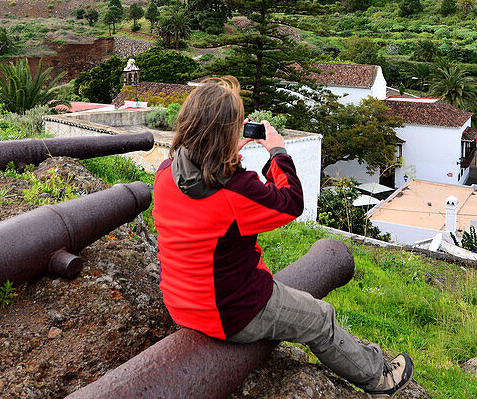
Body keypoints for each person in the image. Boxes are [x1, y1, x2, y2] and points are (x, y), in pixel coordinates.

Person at [152, 77, 413, 396]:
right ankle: (379, 378)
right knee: (321, 317)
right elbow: (290, 202)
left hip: (179, 301)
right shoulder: (235, 190)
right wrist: (276, 150)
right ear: (230, 133)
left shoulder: (166, 173)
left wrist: (225, 151)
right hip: (229, 312)